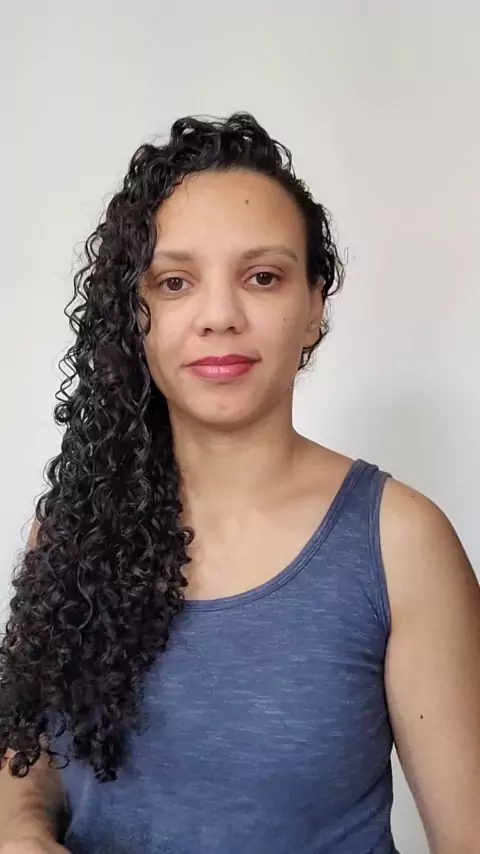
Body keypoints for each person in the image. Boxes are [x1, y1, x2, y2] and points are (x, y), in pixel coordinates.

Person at [0, 113, 479, 854]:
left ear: (314, 307)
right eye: (175, 282)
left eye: (262, 277)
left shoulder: (400, 543)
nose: (220, 316)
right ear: (135, 314)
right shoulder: (70, 530)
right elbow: (30, 765)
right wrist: (21, 831)